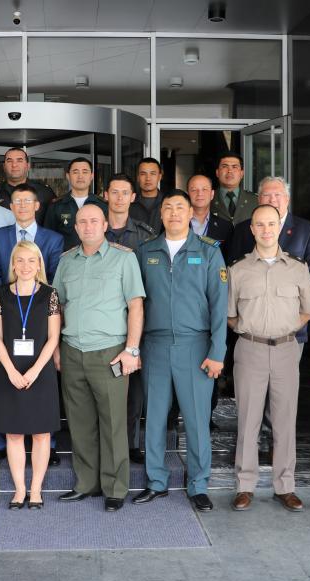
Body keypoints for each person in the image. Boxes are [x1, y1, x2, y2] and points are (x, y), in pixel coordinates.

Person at [132, 190, 228, 512]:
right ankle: (156, 481)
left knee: (197, 419)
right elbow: (135, 303)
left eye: (180, 208)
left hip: (195, 346)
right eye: (168, 208)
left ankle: (198, 484)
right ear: (161, 214)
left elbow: (219, 305)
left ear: (190, 213)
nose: (174, 213)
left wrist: (218, 351)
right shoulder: (146, 251)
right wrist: (134, 347)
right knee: (155, 417)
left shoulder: (209, 251)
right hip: (155, 345)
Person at [52, 202, 145, 512]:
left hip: (110, 353)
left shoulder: (124, 258)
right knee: (79, 423)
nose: (88, 226)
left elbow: (135, 305)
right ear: (76, 227)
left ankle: (115, 488)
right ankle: (86, 483)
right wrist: (56, 349)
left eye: (94, 221)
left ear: (105, 225)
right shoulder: (66, 261)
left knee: (113, 423)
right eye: (82, 222)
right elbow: (57, 307)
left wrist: (131, 349)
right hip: (72, 351)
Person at [227, 204, 310, 513]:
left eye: (271, 224)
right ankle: (245, 486)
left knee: (284, 421)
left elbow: (308, 309)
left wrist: (286, 328)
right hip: (249, 349)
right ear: (252, 229)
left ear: (280, 227)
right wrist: (252, 330)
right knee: (248, 421)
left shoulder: (297, 268)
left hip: (286, 350)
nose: (266, 230)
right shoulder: (238, 270)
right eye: (260, 225)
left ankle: (285, 487)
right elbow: (229, 315)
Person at [0, 183, 64, 467]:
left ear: (37, 205)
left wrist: (33, 295)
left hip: (40, 312)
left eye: (27, 201)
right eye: (17, 201)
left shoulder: (53, 238)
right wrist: (10, 298)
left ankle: (47, 445)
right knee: (6, 393)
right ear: (11, 206)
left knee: (41, 396)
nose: (22, 206)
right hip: (9, 310)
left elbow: (53, 275)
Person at [0, 241, 61, 509]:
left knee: (41, 433)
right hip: (9, 372)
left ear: (39, 264)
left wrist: (34, 371)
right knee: (14, 434)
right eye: (20, 260)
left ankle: (36, 489)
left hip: (40, 372)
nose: (26, 265)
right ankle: (20, 490)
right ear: (13, 264)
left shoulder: (50, 294)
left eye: (32, 260)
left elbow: (53, 338)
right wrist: (11, 371)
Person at [103, 173, 156, 464]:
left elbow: (150, 283)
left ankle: (131, 444)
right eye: (115, 192)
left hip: (135, 320)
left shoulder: (146, 235)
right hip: (104, 320)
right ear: (106, 195)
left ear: (133, 197)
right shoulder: (95, 229)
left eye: (125, 193)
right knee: (104, 386)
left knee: (134, 388)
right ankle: (104, 444)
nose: (120, 198)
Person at [42, 157, 107, 250]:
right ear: (68, 176)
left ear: (92, 176)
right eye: (75, 172)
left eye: (85, 172)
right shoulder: (56, 206)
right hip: (65, 258)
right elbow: (48, 238)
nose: (80, 176)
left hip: (98, 257)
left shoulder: (103, 205)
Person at [0, 148, 56, 225]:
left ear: (28, 166)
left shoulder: (44, 192)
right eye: (9, 161)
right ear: (4, 166)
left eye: (19, 161)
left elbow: (54, 222)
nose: (14, 165)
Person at [187, 174, 233, 253]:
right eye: (194, 190)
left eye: (204, 189)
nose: (199, 193)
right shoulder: (177, 223)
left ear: (212, 194)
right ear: (188, 195)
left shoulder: (225, 227)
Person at [210, 151, 253, 224]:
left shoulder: (254, 200)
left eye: (234, 167)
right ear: (217, 172)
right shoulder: (208, 199)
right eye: (224, 166)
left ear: (242, 173)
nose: (229, 171)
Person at [129, 158, 165, 229]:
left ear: (159, 177)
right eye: (143, 174)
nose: (148, 178)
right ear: (138, 177)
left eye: (152, 174)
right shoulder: (129, 203)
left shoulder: (167, 202)